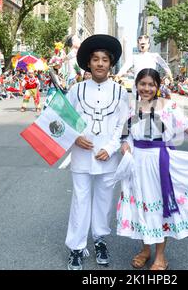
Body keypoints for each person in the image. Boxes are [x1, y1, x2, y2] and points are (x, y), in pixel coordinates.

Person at [117, 68, 188, 270]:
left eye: (151, 84)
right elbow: (126, 134)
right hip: (137, 164)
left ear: (158, 87)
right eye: (143, 84)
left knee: (160, 209)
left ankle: (160, 256)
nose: (146, 88)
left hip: (160, 162)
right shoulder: (131, 108)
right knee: (141, 206)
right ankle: (145, 250)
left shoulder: (168, 107)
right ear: (137, 85)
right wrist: (125, 144)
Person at [64, 34, 129, 270]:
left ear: (111, 64)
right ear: (88, 63)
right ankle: (76, 247)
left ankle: (100, 239)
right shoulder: (76, 90)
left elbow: (123, 125)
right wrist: (75, 136)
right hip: (81, 155)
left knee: (103, 201)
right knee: (80, 200)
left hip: (107, 157)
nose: (100, 63)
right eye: (95, 59)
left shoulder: (121, 93)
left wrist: (111, 149)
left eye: (104, 59)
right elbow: (63, 120)